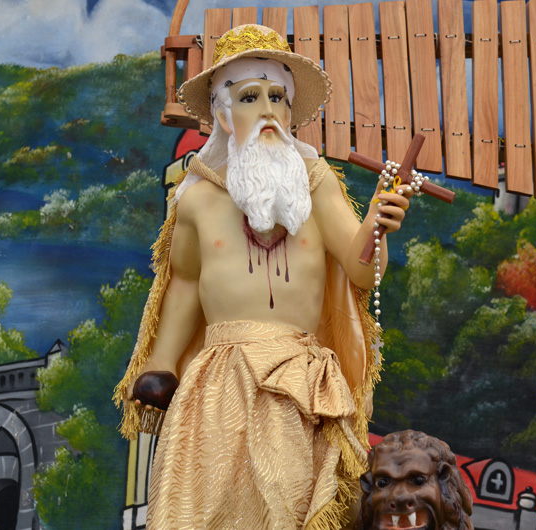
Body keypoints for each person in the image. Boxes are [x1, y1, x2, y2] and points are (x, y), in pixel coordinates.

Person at [112, 24, 412, 530]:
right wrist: (161, 361)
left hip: (299, 386)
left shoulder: (316, 184)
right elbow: (184, 283)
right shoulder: (197, 199)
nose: (268, 110)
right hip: (218, 385)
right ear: (223, 115)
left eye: (278, 97)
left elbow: (360, 271)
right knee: (207, 506)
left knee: (288, 505)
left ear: (290, 112)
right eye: (250, 97)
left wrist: (377, 225)